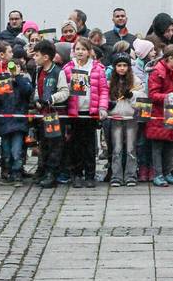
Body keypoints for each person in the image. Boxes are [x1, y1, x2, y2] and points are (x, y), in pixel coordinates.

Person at [63, 38, 108, 188]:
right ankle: (76, 174)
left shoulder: (97, 68)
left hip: (90, 112)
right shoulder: (68, 68)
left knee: (89, 145)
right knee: (75, 144)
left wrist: (102, 108)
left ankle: (90, 174)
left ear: (89, 52)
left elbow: (103, 90)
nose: (80, 52)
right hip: (74, 112)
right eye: (77, 49)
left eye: (83, 49)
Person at [0, 41, 32, 185]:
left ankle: (17, 173)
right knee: (6, 151)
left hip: (19, 123)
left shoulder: (23, 81)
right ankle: (7, 172)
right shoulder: (3, 81)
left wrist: (18, 77)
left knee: (17, 150)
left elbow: (28, 92)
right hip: (5, 122)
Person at [31, 40, 69, 188]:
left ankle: (52, 173)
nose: (34, 57)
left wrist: (51, 99)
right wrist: (37, 100)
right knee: (44, 143)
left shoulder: (58, 72)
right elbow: (37, 88)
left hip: (55, 115)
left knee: (55, 145)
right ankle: (43, 169)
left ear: (46, 57)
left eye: (36, 55)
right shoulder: (38, 71)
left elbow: (65, 92)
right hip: (43, 115)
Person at [146, 45, 173, 186]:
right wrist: (168, 97)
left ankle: (167, 172)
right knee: (157, 145)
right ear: (170, 58)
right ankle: (158, 174)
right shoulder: (157, 72)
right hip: (158, 113)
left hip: (172, 112)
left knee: (170, 144)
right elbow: (153, 94)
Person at [107, 55, 142, 187]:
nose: (122, 68)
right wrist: (109, 105)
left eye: (124, 65)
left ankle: (130, 175)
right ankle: (116, 176)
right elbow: (106, 98)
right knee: (117, 149)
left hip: (130, 118)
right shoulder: (110, 82)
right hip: (116, 118)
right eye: (119, 65)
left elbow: (141, 100)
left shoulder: (136, 81)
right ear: (115, 67)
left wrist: (132, 96)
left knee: (130, 149)